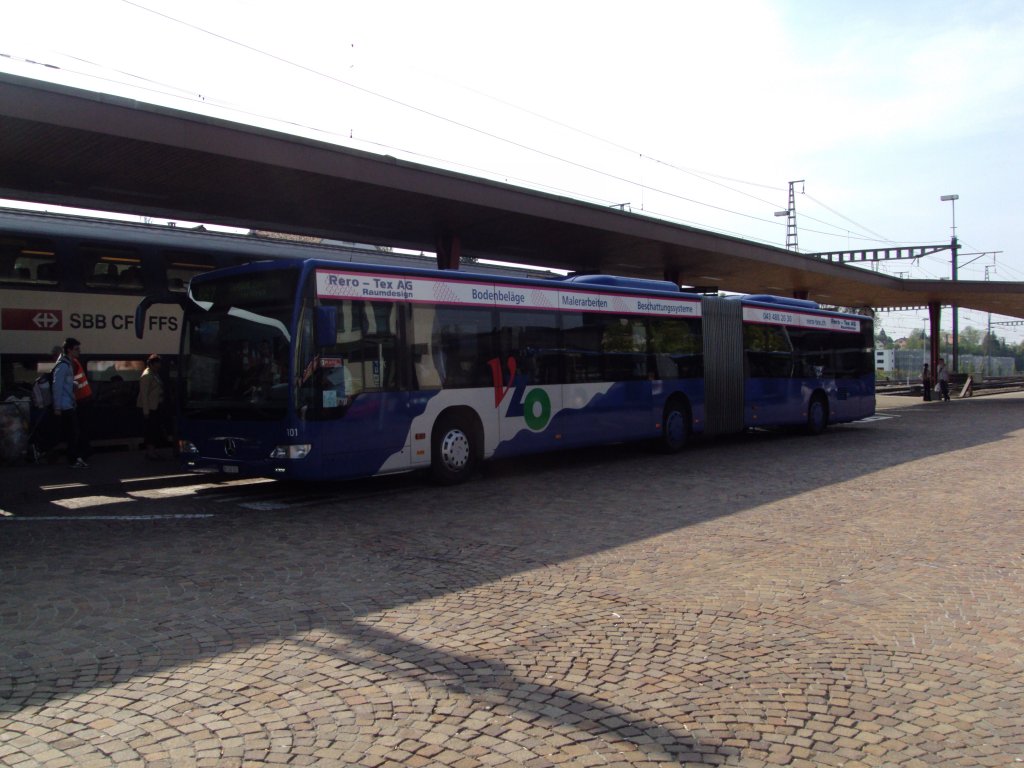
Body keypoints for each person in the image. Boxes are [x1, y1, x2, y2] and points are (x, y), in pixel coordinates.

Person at [52, 337, 88, 468]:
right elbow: (57, 386)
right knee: (73, 433)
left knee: (73, 433)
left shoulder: (67, 364)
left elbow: (64, 384)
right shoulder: (63, 365)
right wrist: (57, 407)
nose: (79, 351)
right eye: (76, 349)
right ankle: (73, 460)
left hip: (68, 404)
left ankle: (74, 458)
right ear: (69, 350)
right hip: (64, 405)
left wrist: (73, 384)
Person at [137, 354, 165, 459]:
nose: (159, 366)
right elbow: (144, 395)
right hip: (150, 408)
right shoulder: (147, 376)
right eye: (158, 364)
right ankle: (150, 453)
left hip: (155, 406)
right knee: (151, 431)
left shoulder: (154, 374)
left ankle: (152, 451)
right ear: (152, 364)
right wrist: (146, 411)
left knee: (155, 430)